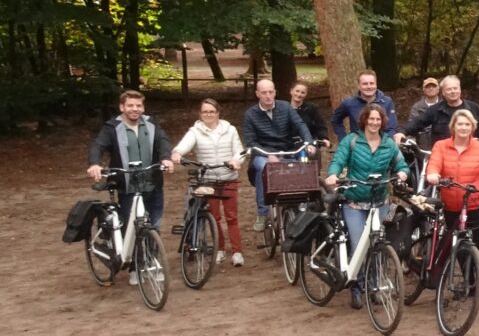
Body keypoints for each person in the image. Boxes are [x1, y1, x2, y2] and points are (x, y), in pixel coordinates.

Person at [324, 104, 410, 310]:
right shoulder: (352, 141)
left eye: (378, 120)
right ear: (364, 120)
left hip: (379, 201)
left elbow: (402, 165)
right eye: (371, 119)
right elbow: (338, 160)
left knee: (378, 245)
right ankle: (356, 287)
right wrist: (334, 174)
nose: (374, 123)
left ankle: (375, 286)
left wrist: (402, 174)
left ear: (382, 122)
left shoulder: (389, 144)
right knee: (359, 246)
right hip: (354, 201)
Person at [425, 109, 479, 305]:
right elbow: (433, 165)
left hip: (477, 203)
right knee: (457, 244)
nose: (463, 128)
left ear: (473, 127)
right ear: (453, 126)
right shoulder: (441, 146)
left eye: (467, 124)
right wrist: (433, 175)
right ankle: (467, 282)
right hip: (452, 204)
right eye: (460, 124)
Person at [170, 99, 246, 267]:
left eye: (212, 111)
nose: (208, 115)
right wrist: (177, 153)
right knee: (214, 217)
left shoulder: (230, 129)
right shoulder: (195, 131)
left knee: (232, 217)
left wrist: (235, 160)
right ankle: (219, 249)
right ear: (200, 114)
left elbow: (240, 151)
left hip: (228, 177)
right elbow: (182, 146)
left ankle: (237, 251)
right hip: (208, 179)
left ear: (218, 113)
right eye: (205, 112)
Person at [87, 90, 175, 234]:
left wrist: (166, 158)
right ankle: (128, 255)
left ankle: (151, 255)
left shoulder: (151, 124)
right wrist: (94, 163)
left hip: (153, 184)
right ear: (122, 107)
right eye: (130, 105)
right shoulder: (112, 127)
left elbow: (163, 141)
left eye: (138, 105)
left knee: (154, 226)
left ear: (143, 108)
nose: (135, 109)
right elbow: (98, 145)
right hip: (128, 187)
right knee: (130, 229)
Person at [242, 78, 315, 230]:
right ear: (257, 94)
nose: (268, 96)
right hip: (262, 153)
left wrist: (308, 142)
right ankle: (262, 212)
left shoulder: (285, 107)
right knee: (265, 168)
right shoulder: (250, 114)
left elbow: (300, 125)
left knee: (303, 163)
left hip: (287, 149)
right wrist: (269, 154)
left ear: (275, 92)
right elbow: (251, 142)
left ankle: (302, 202)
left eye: (270, 92)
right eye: (264, 93)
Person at [396, 75, 479, 145]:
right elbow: (417, 122)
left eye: (455, 88)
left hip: (468, 155)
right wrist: (402, 132)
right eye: (449, 89)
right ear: (443, 93)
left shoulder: (473, 108)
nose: (453, 91)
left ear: (460, 90)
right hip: (442, 156)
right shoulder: (435, 110)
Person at [331, 70, 397, 140]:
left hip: (382, 145)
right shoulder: (349, 103)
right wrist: (343, 138)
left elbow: (391, 127)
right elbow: (336, 120)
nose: (369, 86)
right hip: (357, 146)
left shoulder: (387, 101)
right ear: (359, 86)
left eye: (371, 83)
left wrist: (385, 142)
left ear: (376, 84)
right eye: (365, 84)